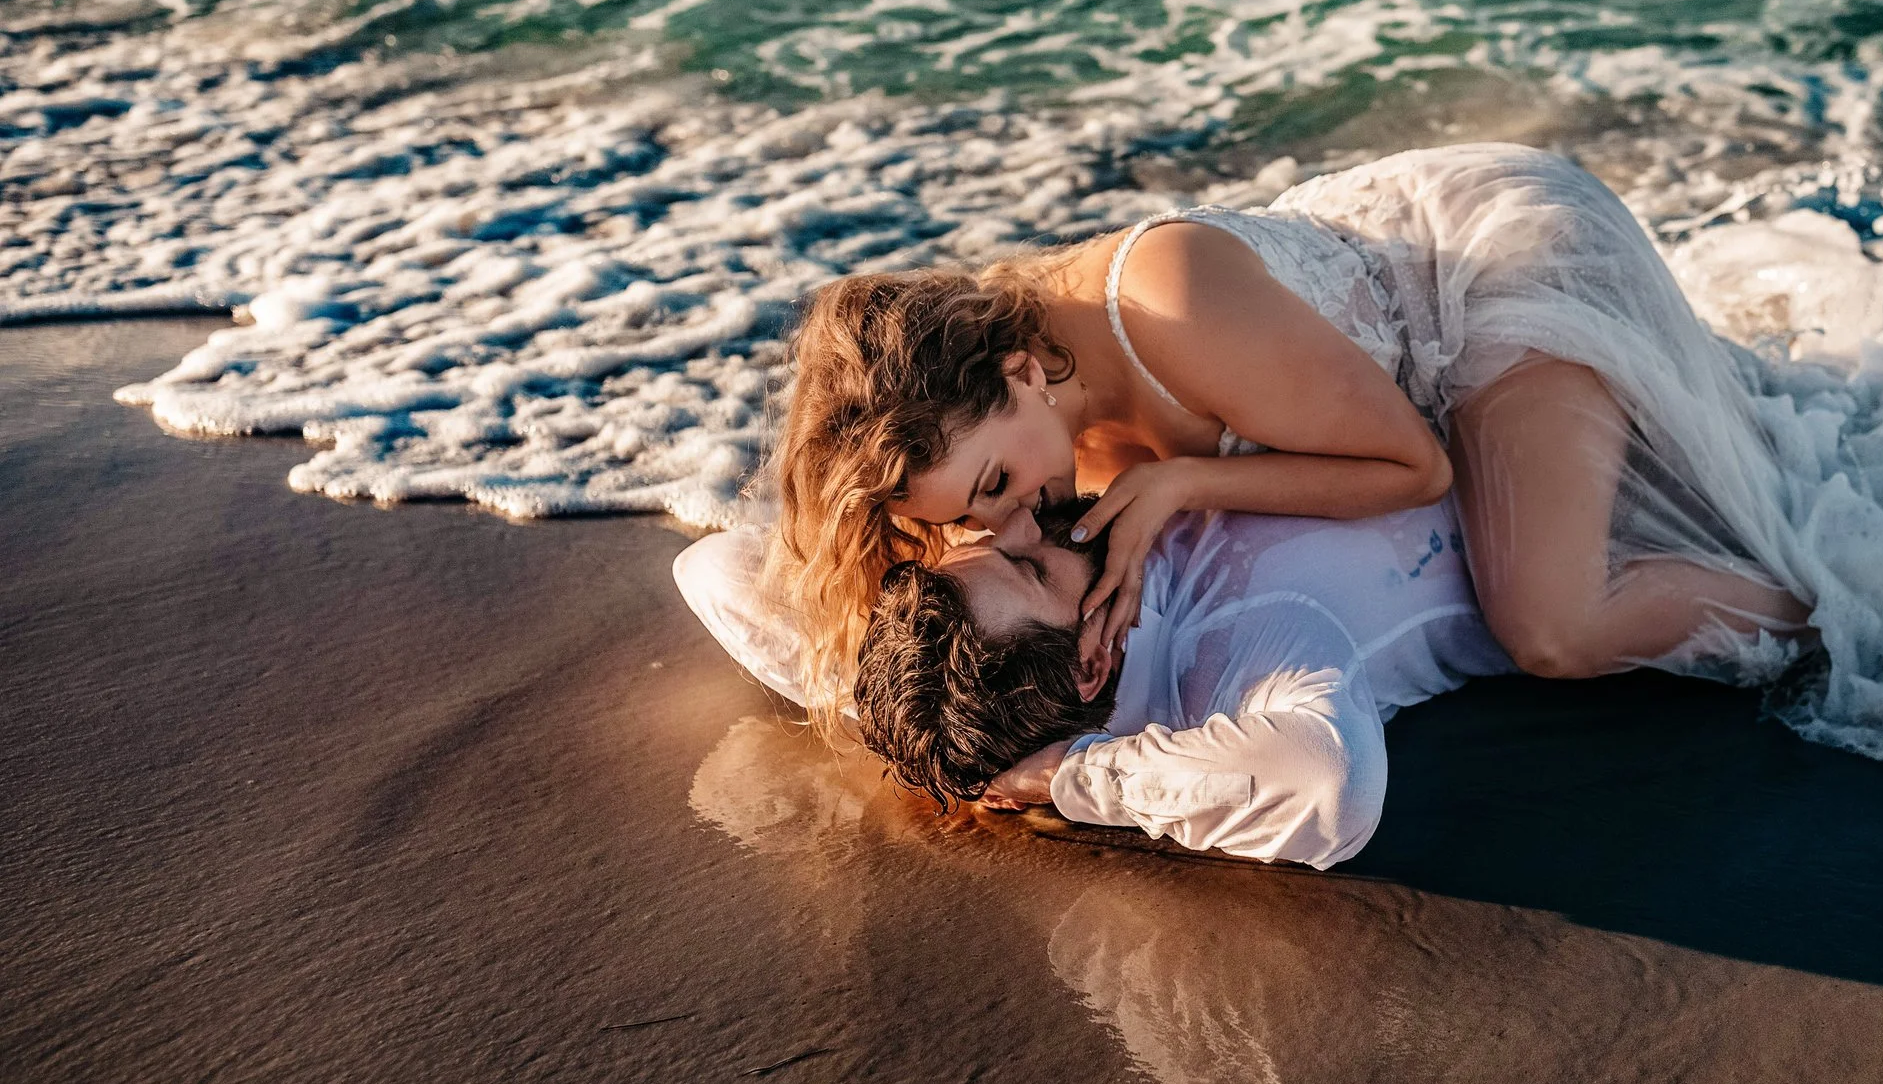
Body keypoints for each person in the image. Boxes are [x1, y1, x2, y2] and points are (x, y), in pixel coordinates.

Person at [770, 142, 1815, 727]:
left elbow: (1414, 466)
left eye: (994, 480)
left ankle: (1831, 617)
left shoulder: (1165, 305)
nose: (1008, 520)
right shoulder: (1017, 430)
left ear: (1015, 371)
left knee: (1552, 626)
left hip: (1492, 267)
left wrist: (1183, 482)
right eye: (972, 514)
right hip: (1364, 316)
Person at [676, 495, 1512, 869]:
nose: (1021, 520)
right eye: (1031, 564)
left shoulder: (968, 665)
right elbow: (1333, 785)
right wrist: (1068, 773)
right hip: (1558, 512)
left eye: (982, 547)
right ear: (1091, 663)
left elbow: (715, 567)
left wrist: (910, 724)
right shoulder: (1220, 657)